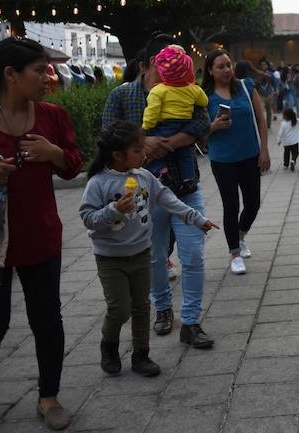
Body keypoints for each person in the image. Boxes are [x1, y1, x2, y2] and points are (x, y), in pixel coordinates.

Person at [0, 37, 83, 430]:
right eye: (38, 70)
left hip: (42, 236)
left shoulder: (52, 117)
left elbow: (73, 166)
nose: (48, 77)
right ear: (11, 75)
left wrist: (54, 154)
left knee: (47, 318)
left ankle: (49, 396)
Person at [101, 34, 214, 349]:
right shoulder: (122, 97)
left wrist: (167, 143)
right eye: (163, 65)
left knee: (193, 254)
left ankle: (191, 322)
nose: (172, 70)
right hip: (143, 191)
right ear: (144, 65)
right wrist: (143, 141)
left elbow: (203, 123)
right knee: (154, 255)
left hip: (184, 186)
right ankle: (162, 308)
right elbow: (107, 138)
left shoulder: (186, 90)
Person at [79, 121, 217, 378]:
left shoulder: (144, 177)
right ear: (118, 155)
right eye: (138, 149)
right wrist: (114, 210)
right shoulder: (98, 183)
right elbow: (87, 217)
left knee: (142, 307)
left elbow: (169, 199)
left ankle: (141, 354)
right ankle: (109, 347)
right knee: (119, 308)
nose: (145, 154)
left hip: (141, 252)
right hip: (111, 259)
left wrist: (197, 219)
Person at [203, 50, 270, 275]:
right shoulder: (204, 96)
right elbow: (198, 132)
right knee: (230, 206)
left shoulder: (245, 87)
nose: (227, 70)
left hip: (250, 155)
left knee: (253, 204)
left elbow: (261, 120)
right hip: (223, 159)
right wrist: (213, 127)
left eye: (228, 65)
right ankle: (234, 253)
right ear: (210, 71)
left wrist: (265, 150)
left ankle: (240, 236)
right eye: (220, 67)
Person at [142, 45, 208, 190]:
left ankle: (162, 172)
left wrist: (146, 128)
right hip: (183, 124)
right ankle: (188, 178)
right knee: (184, 154)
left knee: (157, 155)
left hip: (163, 126)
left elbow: (152, 112)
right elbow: (204, 102)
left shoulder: (157, 90)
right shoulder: (193, 89)